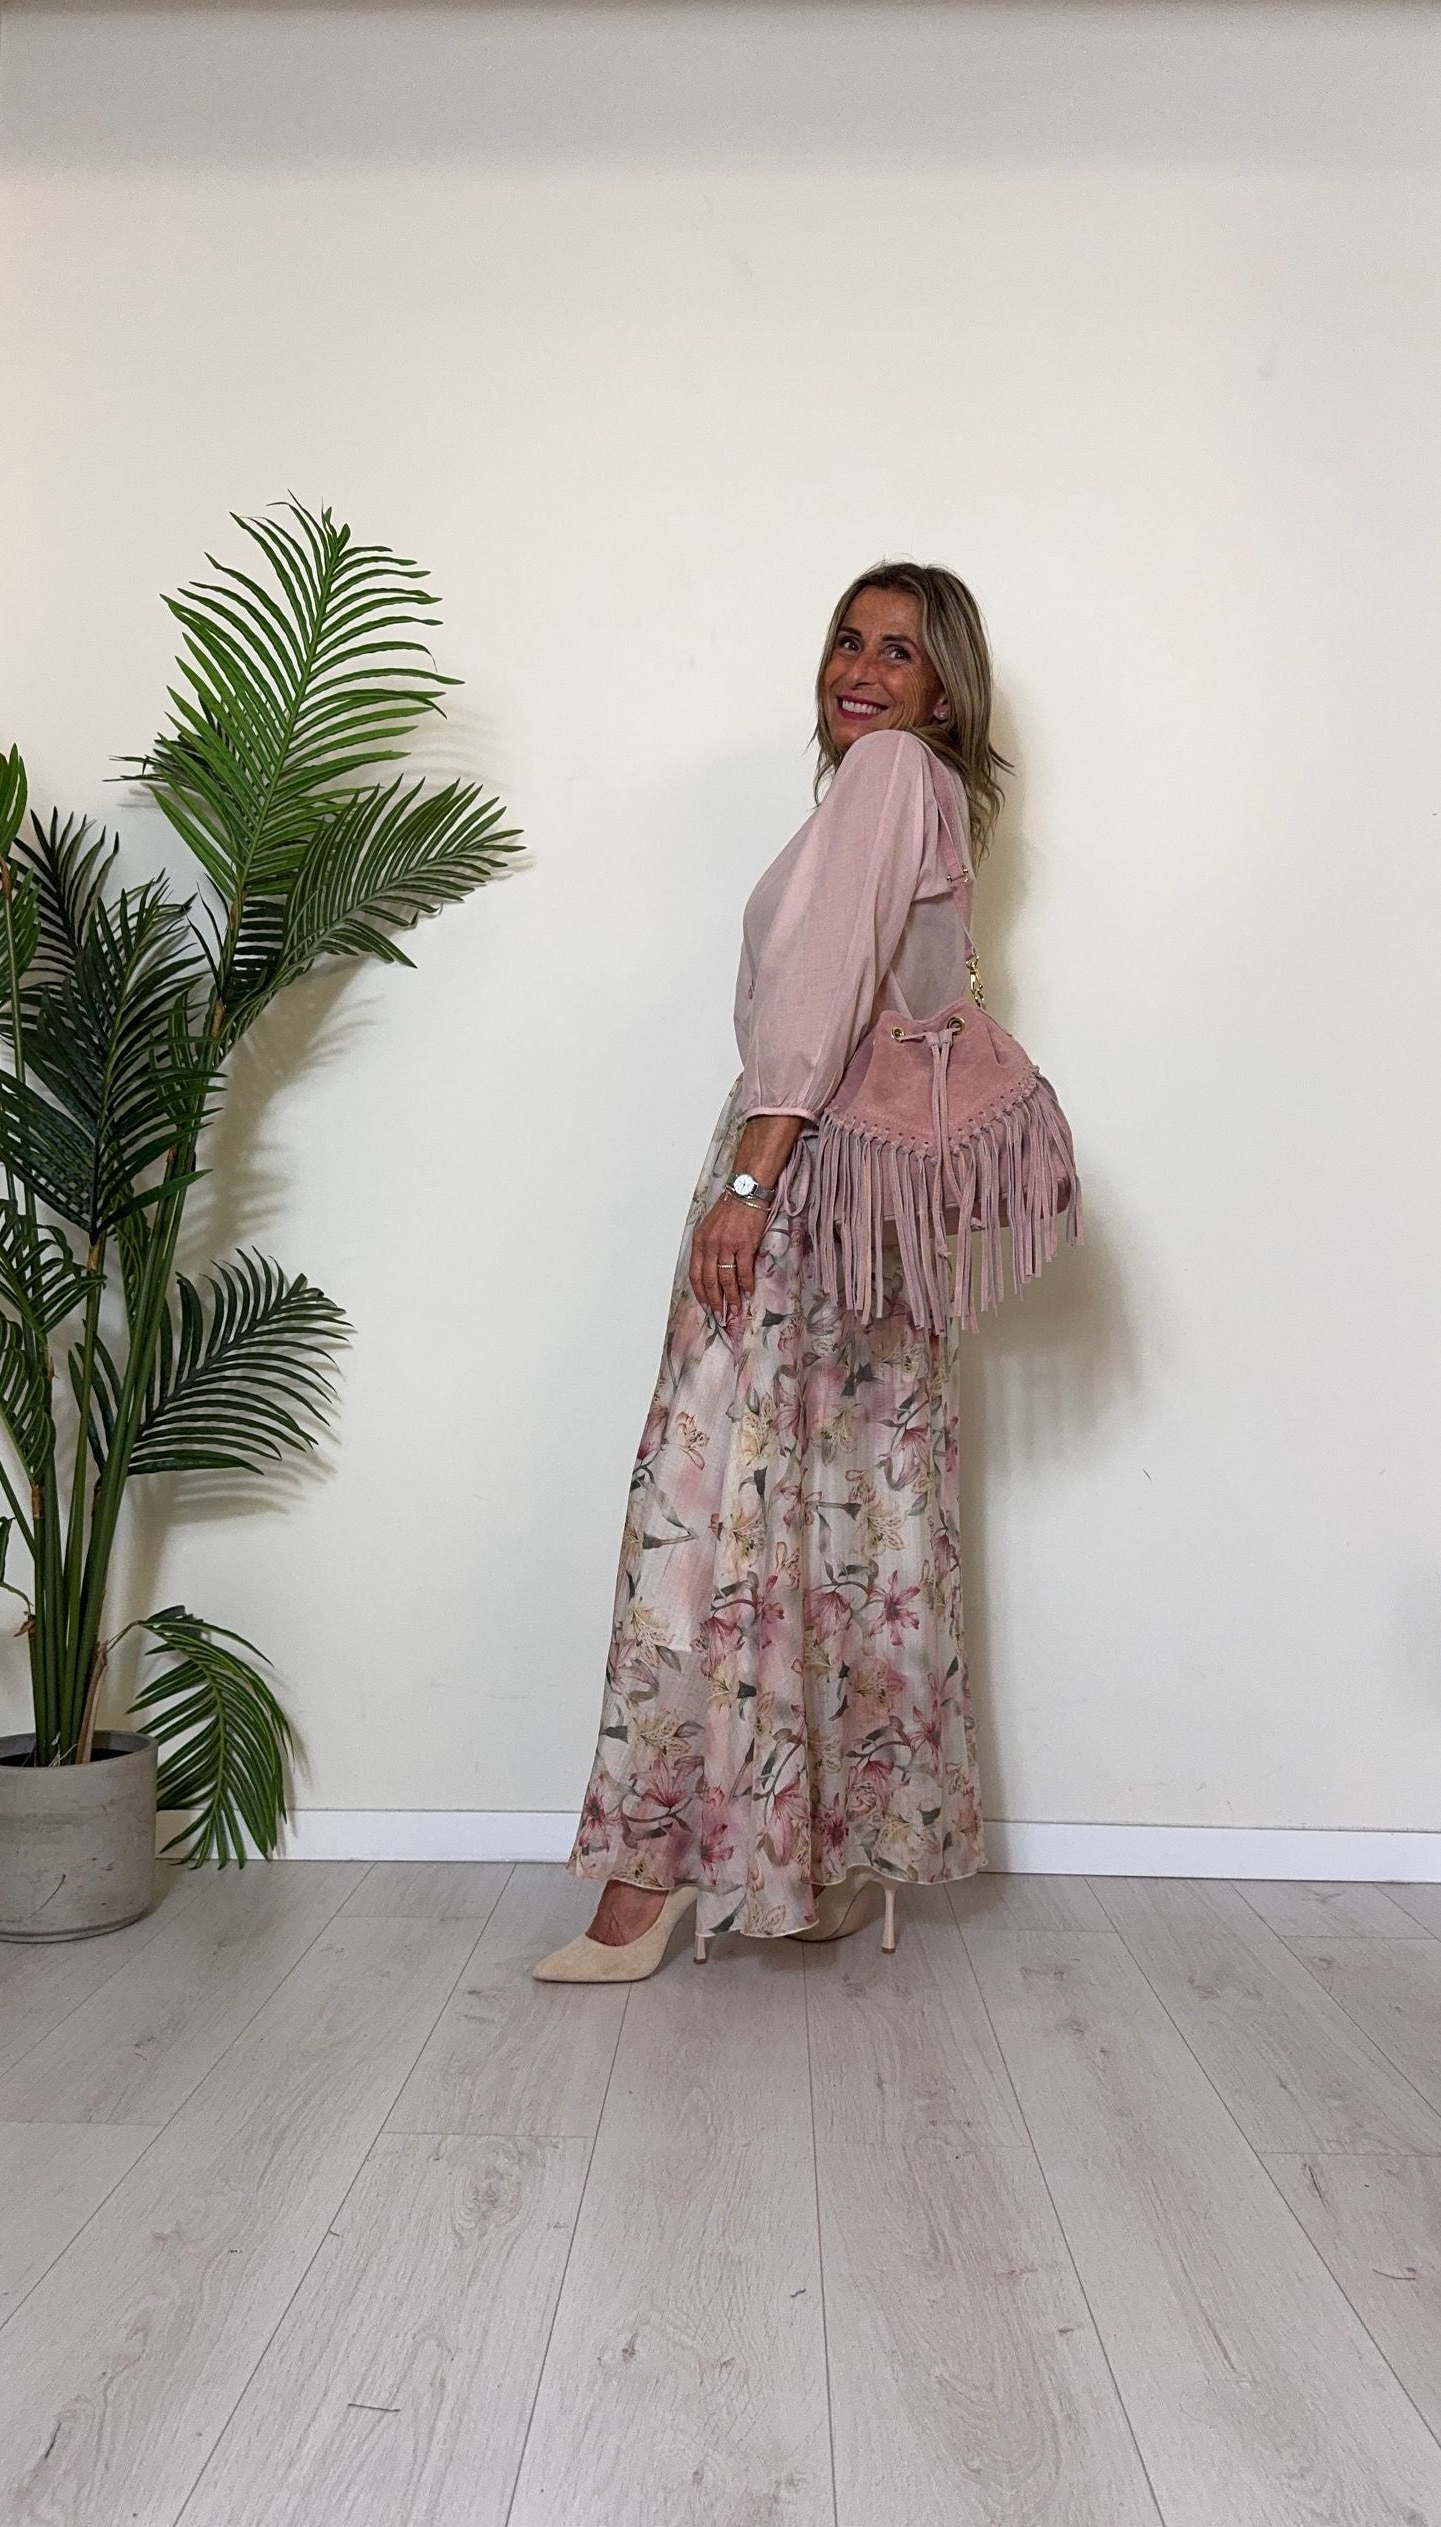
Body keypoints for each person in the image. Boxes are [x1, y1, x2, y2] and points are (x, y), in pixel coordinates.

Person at [534, 561, 1010, 1982]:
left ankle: (645, 1888)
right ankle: (819, 1863)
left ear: (946, 687)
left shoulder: (886, 778)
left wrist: (748, 1183)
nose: (860, 669)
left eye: (899, 652)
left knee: (704, 1516)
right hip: (873, 1209)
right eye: (847, 641)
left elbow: (814, 998)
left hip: (799, 1184)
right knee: (839, 1522)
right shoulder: (923, 791)